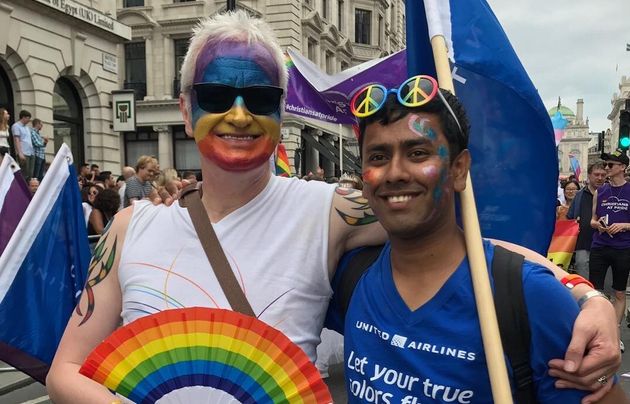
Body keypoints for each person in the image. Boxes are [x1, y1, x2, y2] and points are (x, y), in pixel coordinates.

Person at [47, 11, 620, 403]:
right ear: (186, 107)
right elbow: (62, 372)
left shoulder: (331, 210)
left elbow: (457, 233)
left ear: (282, 110)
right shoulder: (131, 225)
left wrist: (583, 296)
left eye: (261, 98)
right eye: (219, 96)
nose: (240, 115)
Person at [326, 80, 626, 403]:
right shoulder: (350, 276)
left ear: (459, 169)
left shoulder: (531, 297)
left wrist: (590, 297)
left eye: (417, 153)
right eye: (379, 156)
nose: (395, 172)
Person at [589, 149, 630, 339]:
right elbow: (592, 219)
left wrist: (623, 225)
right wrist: (598, 225)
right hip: (600, 245)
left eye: (610, 165)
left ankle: (614, 334)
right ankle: (597, 333)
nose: (606, 168)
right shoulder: (600, 191)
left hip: (623, 248)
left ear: (622, 167)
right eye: (605, 165)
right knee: (595, 292)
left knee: (619, 293)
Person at [567, 162, 607, 279]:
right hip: (583, 244)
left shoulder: (610, 194)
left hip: (605, 245)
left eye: (603, 175)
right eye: (596, 174)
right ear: (589, 175)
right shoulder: (579, 195)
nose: (600, 178)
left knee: (603, 284)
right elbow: (571, 218)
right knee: (583, 280)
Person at [11, 110, 33, 179]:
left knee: (30, 174)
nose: (29, 120)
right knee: (24, 174)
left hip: (30, 153)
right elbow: (16, 140)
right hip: (24, 152)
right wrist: (20, 153)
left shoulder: (27, 127)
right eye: (28, 118)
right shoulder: (16, 126)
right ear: (23, 117)